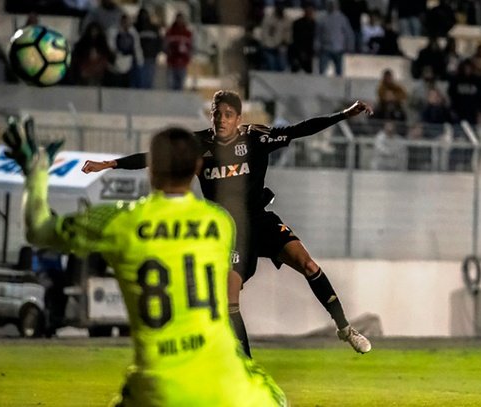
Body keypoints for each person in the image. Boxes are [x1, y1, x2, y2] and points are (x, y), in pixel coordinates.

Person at [2, 120, 286, 406]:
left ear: (153, 170)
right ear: (197, 168)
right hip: (229, 388)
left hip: (158, 391)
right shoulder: (221, 224)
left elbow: (38, 228)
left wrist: (36, 173)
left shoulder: (121, 222)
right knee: (276, 397)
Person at [81, 91, 374, 357]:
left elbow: (300, 130)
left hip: (259, 221)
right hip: (227, 232)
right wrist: (111, 164)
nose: (220, 120)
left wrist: (344, 115)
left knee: (308, 264)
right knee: (230, 300)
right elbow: (154, 157)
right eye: (216, 114)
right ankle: (247, 368)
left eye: (227, 115)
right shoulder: (198, 145)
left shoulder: (256, 139)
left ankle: (345, 329)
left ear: (238, 119)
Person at [165, 12, 193, 90]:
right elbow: (166, 45)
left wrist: (189, 57)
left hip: (183, 62)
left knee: (181, 86)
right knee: (171, 85)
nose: (180, 21)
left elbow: (190, 47)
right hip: (172, 62)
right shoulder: (170, 32)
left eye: (181, 19)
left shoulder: (187, 33)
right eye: (178, 19)